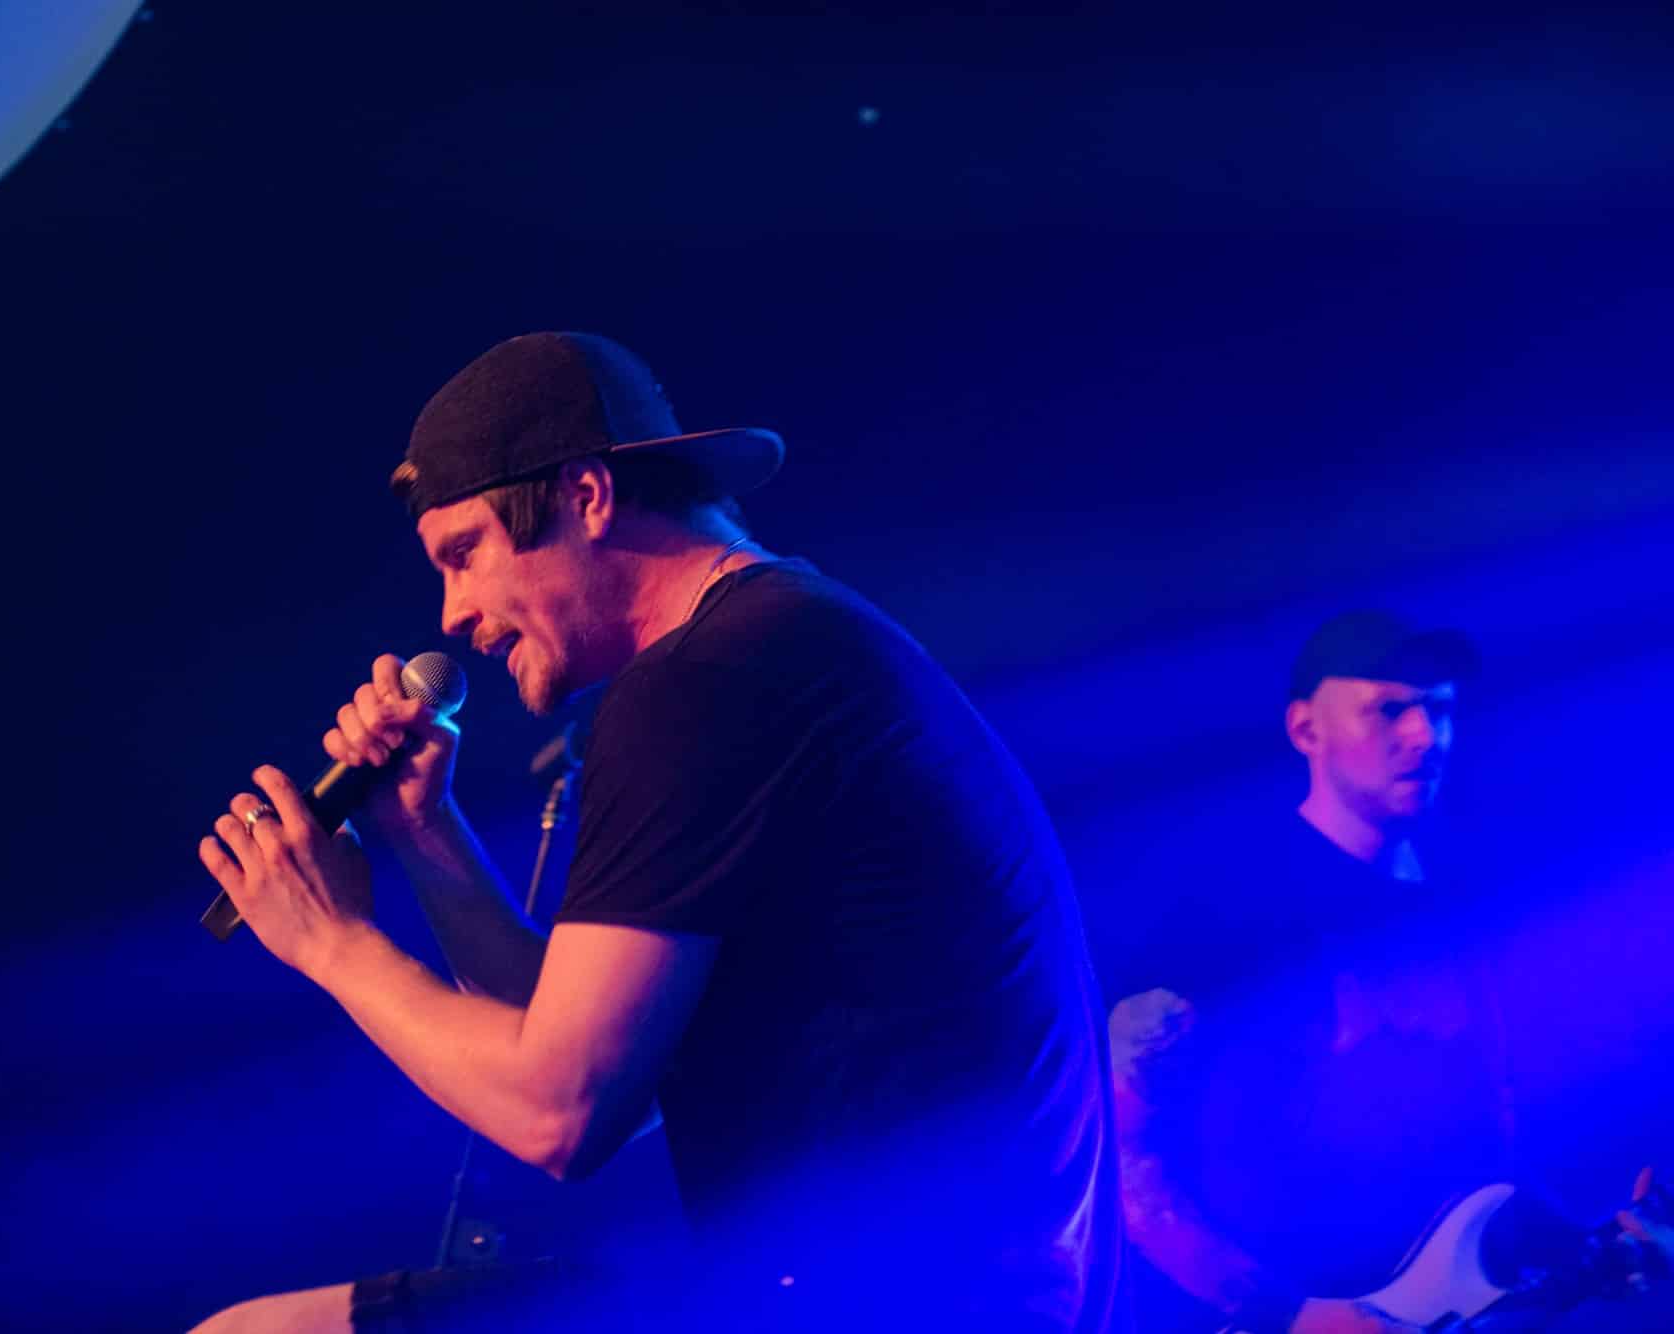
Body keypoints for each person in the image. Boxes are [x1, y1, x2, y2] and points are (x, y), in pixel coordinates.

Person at [191, 332, 1125, 1331]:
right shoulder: (783, 638)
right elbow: (601, 1070)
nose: (452, 613)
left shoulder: (702, 682)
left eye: (463, 554)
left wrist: (330, 940)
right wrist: (425, 834)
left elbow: (558, 1112)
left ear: (587, 496)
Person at [1109, 612, 1668, 1333]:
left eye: (1440, 710)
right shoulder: (1229, 909)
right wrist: (1288, 1314)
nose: (1424, 736)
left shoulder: (1462, 906)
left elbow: (1483, 1152)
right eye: (1389, 709)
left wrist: (1591, 1250)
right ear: (1305, 729)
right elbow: (1119, 1153)